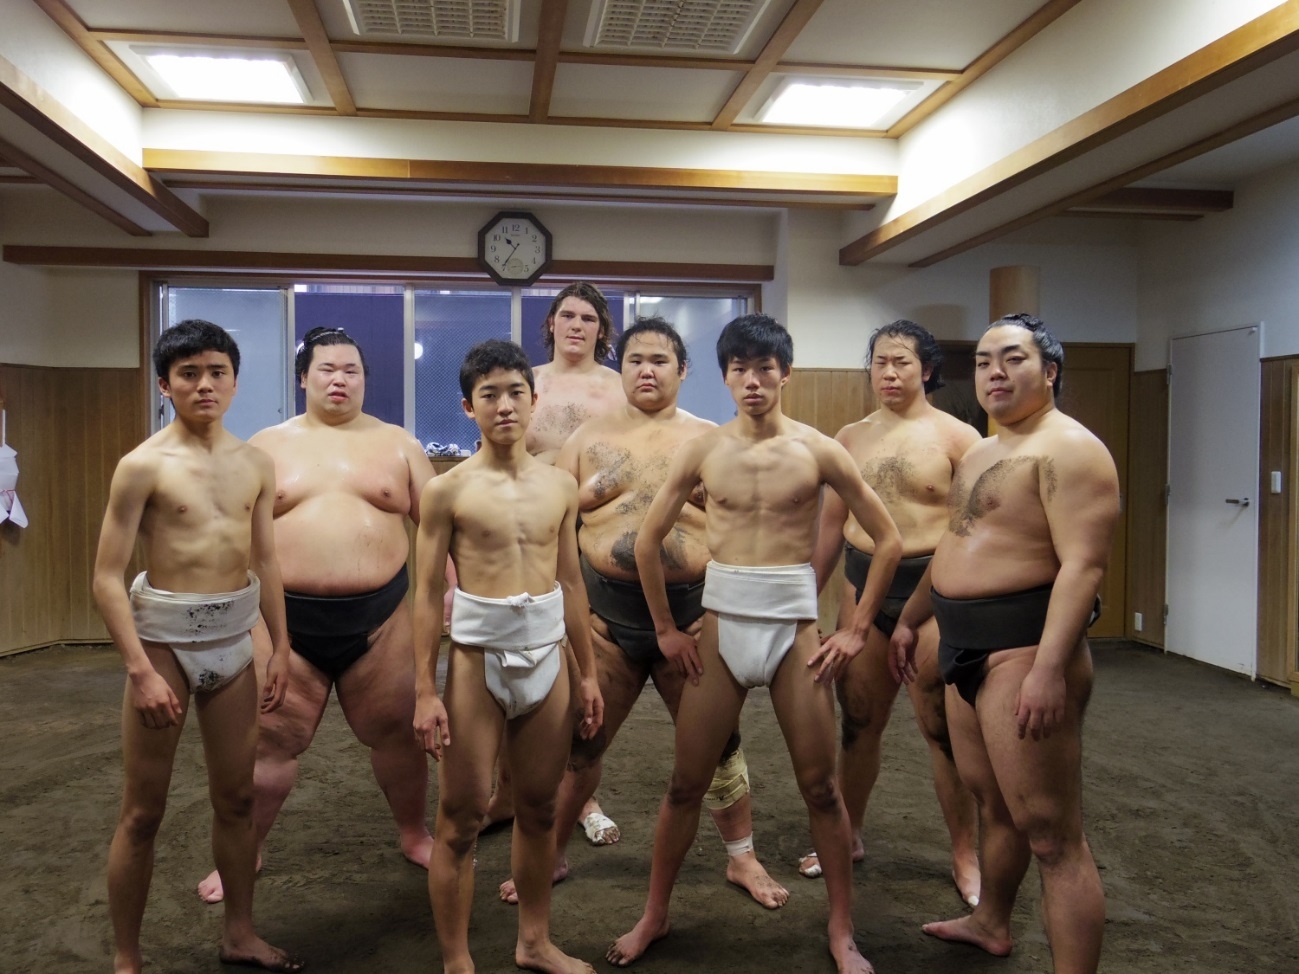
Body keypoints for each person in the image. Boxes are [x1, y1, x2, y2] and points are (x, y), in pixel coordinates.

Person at [608, 314, 902, 974]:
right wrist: (664, 629)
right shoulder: (703, 451)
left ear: (784, 373)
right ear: (724, 377)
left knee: (820, 789)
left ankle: (841, 929)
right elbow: (647, 543)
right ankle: (654, 915)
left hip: (793, 631)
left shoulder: (819, 450)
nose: (752, 381)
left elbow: (888, 539)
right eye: (739, 369)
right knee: (685, 785)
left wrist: (856, 628)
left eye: (764, 368)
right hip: (722, 628)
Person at [497, 316, 786, 909]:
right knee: (581, 741)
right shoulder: (586, 441)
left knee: (720, 746)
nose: (646, 370)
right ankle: (552, 852)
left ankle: (743, 857)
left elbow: (747, 526)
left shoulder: (711, 439)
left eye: (660, 360)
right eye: (635, 360)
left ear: (683, 370)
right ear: (620, 368)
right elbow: (550, 521)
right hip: (604, 621)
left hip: (695, 620)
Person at [890, 313, 1119, 973]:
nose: (994, 371)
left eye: (1013, 358)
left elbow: (1083, 567)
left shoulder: (1070, 449)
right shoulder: (984, 451)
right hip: (962, 645)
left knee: (1052, 835)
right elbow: (956, 544)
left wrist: (1049, 669)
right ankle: (990, 921)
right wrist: (909, 617)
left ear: (1049, 371)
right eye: (984, 360)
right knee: (992, 801)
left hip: (1021, 651)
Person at [196, 326, 434, 903]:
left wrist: (452, 587)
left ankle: (413, 833)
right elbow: (231, 533)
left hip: (382, 619)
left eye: (351, 370)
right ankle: (249, 847)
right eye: (327, 369)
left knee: (399, 735)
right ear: (303, 378)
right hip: (283, 622)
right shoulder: (266, 446)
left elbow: (438, 526)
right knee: (269, 741)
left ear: (364, 380)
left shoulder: (400, 444)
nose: (340, 379)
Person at [93, 320, 302, 973]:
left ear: (235, 381)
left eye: (217, 372)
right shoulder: (142, 466)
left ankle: (239, 934)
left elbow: (265, 559)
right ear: (165, 385)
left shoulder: (256, 463)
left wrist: (282, 646)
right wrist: (138, 670)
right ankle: (127, 958)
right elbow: (106, 577)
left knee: (237, 800)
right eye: (189, 374)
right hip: (162, 644)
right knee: (142, 812)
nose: (205, 384)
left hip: (232, 641)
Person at [413, 339, 604, 974]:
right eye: (488, 395)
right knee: (461, 816)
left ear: (533, 399)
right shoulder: (447, 491)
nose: (504, 406)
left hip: (548, 657)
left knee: (540, 808)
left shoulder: (560, 486)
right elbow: (425, 594)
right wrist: (424, 690)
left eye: (515, 392)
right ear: (468, 407)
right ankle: (456, 960)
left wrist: (589, 673)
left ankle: (534, 943)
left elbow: (571, 582)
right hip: (477, 661)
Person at [798, 320, 981, 907]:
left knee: (942, 730)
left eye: (902, 362)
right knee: (858, 722)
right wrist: (804, 604)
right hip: (862, 591)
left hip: (934, 598)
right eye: (880, 362)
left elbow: (967, 533)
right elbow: (831, 528)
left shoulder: (960, 439)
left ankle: (965, 854)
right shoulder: (849, 438)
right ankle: (847, 834)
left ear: (927, 368)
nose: (890, 373)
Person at [490, 281, 623, 844]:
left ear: (601, 329)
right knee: (514, 660)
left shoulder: (619, 388)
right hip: (529, 529)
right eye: (567, 315)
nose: (576, 326)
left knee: (580, 658)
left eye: (588, 318)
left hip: (594, 534)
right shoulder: (528, 382)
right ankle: (506, 792)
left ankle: (581, 795)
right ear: (550, 323)